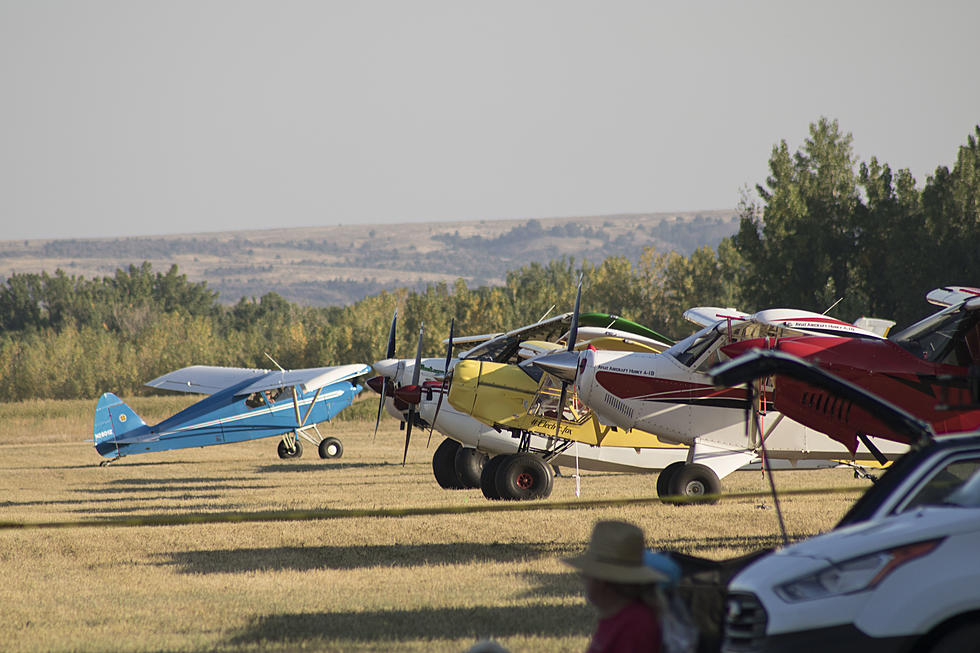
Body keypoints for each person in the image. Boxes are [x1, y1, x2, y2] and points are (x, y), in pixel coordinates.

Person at [565, 520, 668, 653]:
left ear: (602, 580)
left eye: (587, 572)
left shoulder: (636, 625)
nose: (582, 577)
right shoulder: (614, 617)